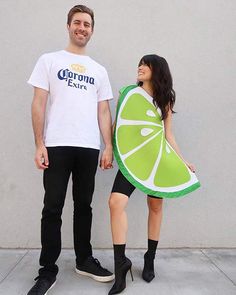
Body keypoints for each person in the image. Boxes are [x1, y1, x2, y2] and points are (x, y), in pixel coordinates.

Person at [27, 5, 114, 295]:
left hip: (88, 147)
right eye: (77, 22)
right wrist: (39, 143)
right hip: (56, 145)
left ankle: (84, 260)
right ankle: (47, 271)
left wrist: (108, 146)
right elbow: (38, 102)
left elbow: (104, 111)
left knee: (84, 206)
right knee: (52, 207)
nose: (82, 28)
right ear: (68, 26)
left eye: (87, 24)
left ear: (92, 30)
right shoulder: (49, 60)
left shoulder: (99, 70)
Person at [108, 54, 196, 294]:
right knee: (116, 202)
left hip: (157, 161)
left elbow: (169, 135)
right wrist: (109, 148)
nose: (140, 67)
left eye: (146, 64)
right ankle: (120, 266)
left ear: (158, 70)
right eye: (139, 63)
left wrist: (182, 160)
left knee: (156, 207)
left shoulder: (164, 101)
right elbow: (119, 127)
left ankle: (150, 257)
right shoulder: (129, 94)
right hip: (133, 160)